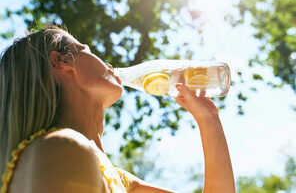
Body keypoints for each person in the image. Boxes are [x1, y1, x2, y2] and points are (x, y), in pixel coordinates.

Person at [0, 25, 235, 193]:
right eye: (87, 51)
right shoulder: (62, 149)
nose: (108, 64)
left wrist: (208, 118)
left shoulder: (117, 179)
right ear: (60, 63)